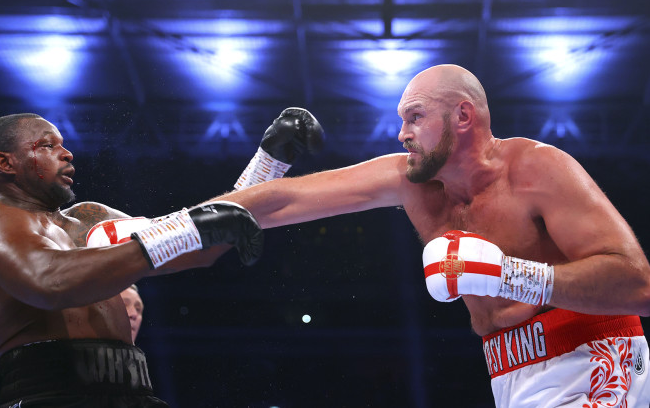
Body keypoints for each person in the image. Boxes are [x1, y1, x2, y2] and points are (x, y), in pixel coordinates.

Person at [208, 64, 650, 407]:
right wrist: (176, 226)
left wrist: (509, 275)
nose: (402, 134)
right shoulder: (411, 181)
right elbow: (285, 201)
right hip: (508, 374)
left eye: (415, 117)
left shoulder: (538, 168)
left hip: (596, 360)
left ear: (463, 115)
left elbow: (639, 286)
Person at [0, 113, 265, 408]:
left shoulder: (88, 220)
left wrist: (267, 164)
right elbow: (49, 281)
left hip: (135, 392)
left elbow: (197, 242)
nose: (67, 153)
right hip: (51, 393)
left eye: (62, 144)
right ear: (5, 163)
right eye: (47, 145)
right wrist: (185, 232)